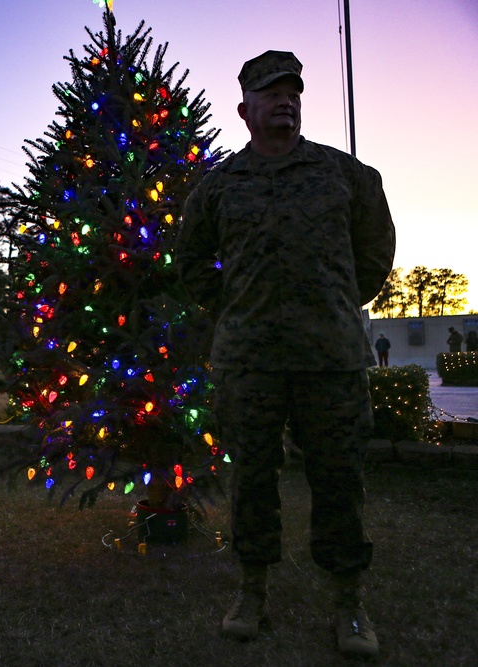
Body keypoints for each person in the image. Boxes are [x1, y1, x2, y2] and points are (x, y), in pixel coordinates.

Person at [175, 51, 395, 657]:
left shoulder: (346, 176)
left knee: (339, 481)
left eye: (293, 90)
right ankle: (251, 591)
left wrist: (334, 304)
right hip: (250, 362)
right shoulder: (218, 187)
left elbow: (375, 254)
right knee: (251, 480)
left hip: (332, 360)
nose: (285, 100)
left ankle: (350, 603)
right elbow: (192, 262)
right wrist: (238, 313)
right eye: (271, 92)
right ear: (245, 109)